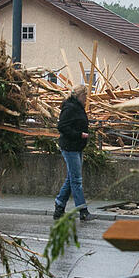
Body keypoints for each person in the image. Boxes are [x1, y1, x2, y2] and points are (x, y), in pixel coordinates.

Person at [53, 85, 91, 221]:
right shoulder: (70, 108)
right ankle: (83, 210)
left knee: (71, 179)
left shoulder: (77, 107)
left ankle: (59, 206)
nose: (86, 99)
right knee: (76, 180)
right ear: (79, 96)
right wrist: (79, 135)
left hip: (76, 147)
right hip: (70, 147)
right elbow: (62, 127)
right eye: (85, 96)